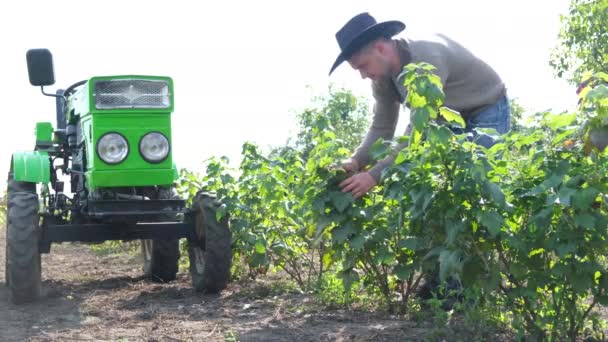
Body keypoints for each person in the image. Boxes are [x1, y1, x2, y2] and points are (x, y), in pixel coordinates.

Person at [328, 12, 511, 199]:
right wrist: (356, 160)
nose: (363, 75)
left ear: (381, 49)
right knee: (445, 190)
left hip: (486, 108)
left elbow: (419, 130)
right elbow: (382, 126)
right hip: (449, 121)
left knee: (481, 184)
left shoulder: (425, 61)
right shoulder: (381, 78)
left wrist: (373, 176)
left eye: (363, 66)